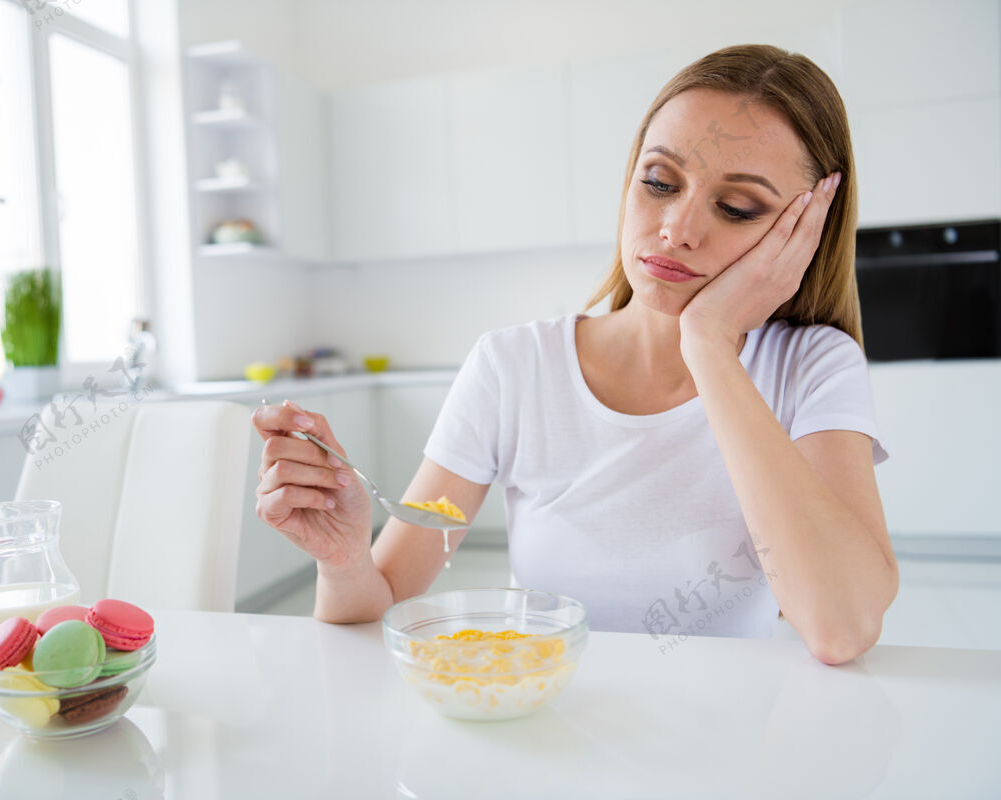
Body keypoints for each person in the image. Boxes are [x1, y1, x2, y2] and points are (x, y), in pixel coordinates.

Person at [251, 44, 898, 666]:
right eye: (659, 181)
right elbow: (382, 602)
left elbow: (840, 627)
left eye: (736, 207)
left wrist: (710, 347)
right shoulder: (511, 368)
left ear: (804, 233)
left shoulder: (812, 367)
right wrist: (342, 562)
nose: (677, 228)